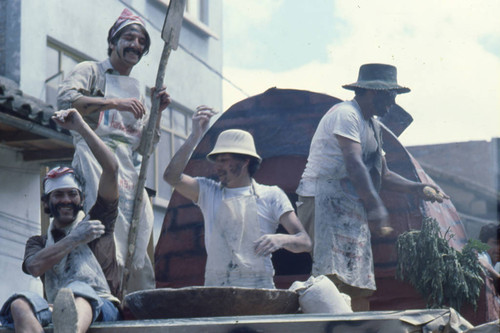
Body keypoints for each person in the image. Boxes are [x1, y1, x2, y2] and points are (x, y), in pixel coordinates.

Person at [295, 63, 447, 310]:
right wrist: (376, 207)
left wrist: (418, 188)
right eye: (390, 97)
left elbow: (384, 175)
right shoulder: (346, 114)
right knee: (330, 279)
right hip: (323, 200)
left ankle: (357, 326)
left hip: (353, 206)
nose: (392, 104)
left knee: (358, 281)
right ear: (373, 92)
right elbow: (354, 163)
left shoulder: (373, 126)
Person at [57, 8, 171, 292]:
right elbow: (65, 100)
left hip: (128, 168)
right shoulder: (91, 71)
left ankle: (133, 295)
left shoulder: (137, 90)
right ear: (113, 42)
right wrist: (113, 103)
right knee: (102, 227)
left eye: (141, 41)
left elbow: (144, 147)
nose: (135, 45)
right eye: (129, 38)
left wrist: (157, 112)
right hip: (93, 159)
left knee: (141, 225)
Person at [163, 106, 312, 288]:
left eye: (224, 160)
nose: (217, 166)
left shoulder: (271, 195)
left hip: (259, 290)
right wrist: (195, 136)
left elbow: (305, 241)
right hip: (218, 289)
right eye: (216, 160)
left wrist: (280, 240)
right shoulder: (208, 192)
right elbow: (171, 176)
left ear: (245, 161)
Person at [0, 109, 120, 332]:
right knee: (19, 304)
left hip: (101, 305)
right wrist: (74, 238)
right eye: (58, 195)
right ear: (47, 203)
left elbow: (112, 170)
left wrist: (81, 127)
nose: (66, 200)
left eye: (71, 194)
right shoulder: (38, 242)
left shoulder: (99, 222)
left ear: (81, 199)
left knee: (78, 294)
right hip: (56, 307)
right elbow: (35, 266)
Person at [478, 223, 500, 293]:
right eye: (495, 243)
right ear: (484, 244)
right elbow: (480, 261)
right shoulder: (484, 255)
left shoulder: (496, 265)